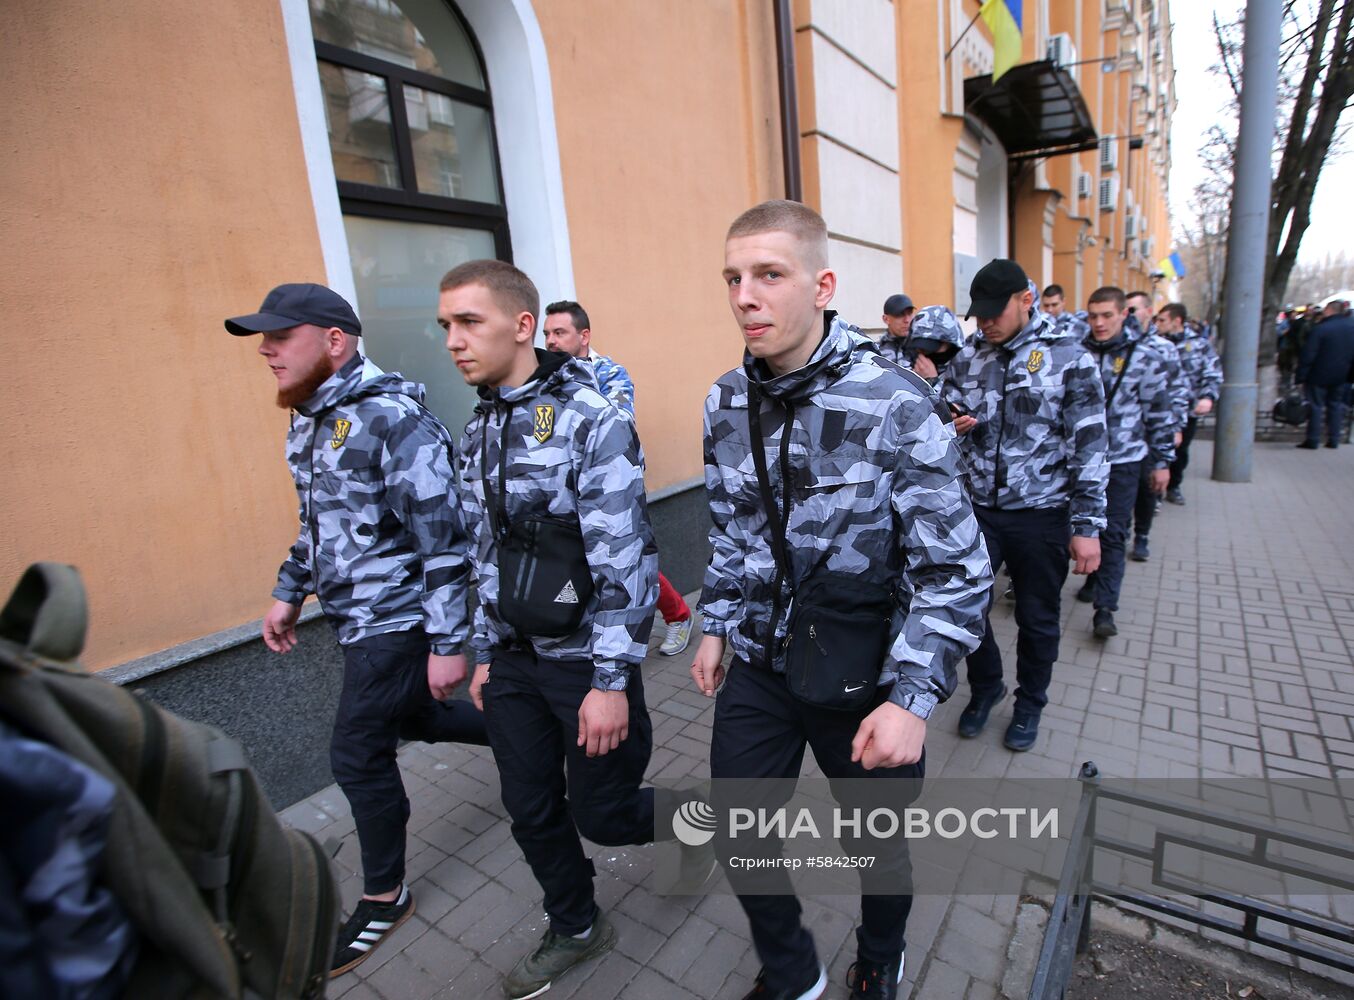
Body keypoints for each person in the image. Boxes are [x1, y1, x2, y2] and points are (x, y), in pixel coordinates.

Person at [694, 200, 993, 1000]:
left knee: (878, 845)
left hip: (867, 669)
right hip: (762, 659)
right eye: (733, 277)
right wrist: (717, 624)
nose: (744, 296)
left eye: (768, 275)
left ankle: (881, 956)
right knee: (738, 825)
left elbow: (957, 569)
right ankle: (794, 972)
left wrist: (914, 698)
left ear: (822, 285)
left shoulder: (895, 402)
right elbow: (731, 530)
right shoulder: (727, 402)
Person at [224, 283, 488, 976]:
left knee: (356, 752)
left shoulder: (392, 419)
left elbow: (446, 542)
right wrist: (289, 593)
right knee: (421, 721)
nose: (266, 349)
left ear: (334, 341)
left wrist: (446, 644)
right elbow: (319, 525)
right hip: (353, 617)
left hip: (397, 620)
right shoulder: (308, 417)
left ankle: (384, 896)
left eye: (282, 336)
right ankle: (534, 728)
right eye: (265, 337)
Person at [439, 260, 660, 999]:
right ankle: (576, 924)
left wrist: (609, 682)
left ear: (523, 326)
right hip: (511, 661)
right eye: (445, 326)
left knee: (607, 812)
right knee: (529, 806)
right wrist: (481, 648)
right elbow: (482, 551)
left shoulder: (590, 418)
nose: (453, 341)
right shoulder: (479, 430)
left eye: (469, 322)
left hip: (582, 661)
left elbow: (623, 556)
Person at [942, 259, 1108, 751]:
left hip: (1042, 513)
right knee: (964, 607)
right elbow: (939, 416)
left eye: (996, 311)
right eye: (979, 314)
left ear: (1026, 300)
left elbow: (1092, 445)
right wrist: (949, 426)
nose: (985, 322)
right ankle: (987, 685)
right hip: (979, 511)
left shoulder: (1069, 358)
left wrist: (1088, 525)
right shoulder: (968, 358)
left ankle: (1030, 703)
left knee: (1037, 618)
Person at [543, 299, 694, 656]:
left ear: (584, 336)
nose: (550, 341)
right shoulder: (544, 381)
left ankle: (678, 615)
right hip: (564, 492)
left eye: (559, 333)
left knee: (626, 559)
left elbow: (616, 424)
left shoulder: (610, 374)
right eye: (547, 333)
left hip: (611, 489)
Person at [1073, 288, 1174, 638]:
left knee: (1113, 533)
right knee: (1077, 529)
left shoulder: (1144, 357)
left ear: (1123, 315)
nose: (1099, 323)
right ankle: (1092, 578)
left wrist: (1161, 461)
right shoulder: (1074, 352)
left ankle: (1105, 609)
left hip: (1122, 460)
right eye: (1093, 315)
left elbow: (1159, 413)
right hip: (1079, 463)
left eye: (1107, 315)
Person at [1125, 291, 1187, 562]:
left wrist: (1175, 427)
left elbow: (1174, 392)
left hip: (1150, 436)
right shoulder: (1111, 346)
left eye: (1133, 310)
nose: (1129, 315)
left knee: (1146, 489)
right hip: (1121, 439)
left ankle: (1142, 535)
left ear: (1148, 312)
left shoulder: (1163, 349)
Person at [1159, 303, 1222, 505]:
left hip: (1187, 410)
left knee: (1180, 451)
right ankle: (1153, 494)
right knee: (1157, 452)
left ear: (1176, 321)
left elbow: (1212, 373)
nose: (1157, 324)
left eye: (1162, 320)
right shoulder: (1153, 343)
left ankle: (1173, 486)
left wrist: (1208, 397)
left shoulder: (1199, 344)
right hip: (1159, 411)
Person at [1295, 299, 1354, 449]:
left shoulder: (1321, 328)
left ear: (1329, 310)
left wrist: (1301, 375)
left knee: (1316, 406)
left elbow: (1309, 354)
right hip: (1342, 375)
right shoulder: (1351, 327)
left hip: (1318, 374)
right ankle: (1334, 439)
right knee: (1335, 405)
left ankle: (1313, 439)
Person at [875, 293, 916, 367]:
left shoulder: (922, 347)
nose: (907, 320)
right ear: (886, 319)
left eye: (909, 314)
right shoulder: (876, 351)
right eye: (900, 315)